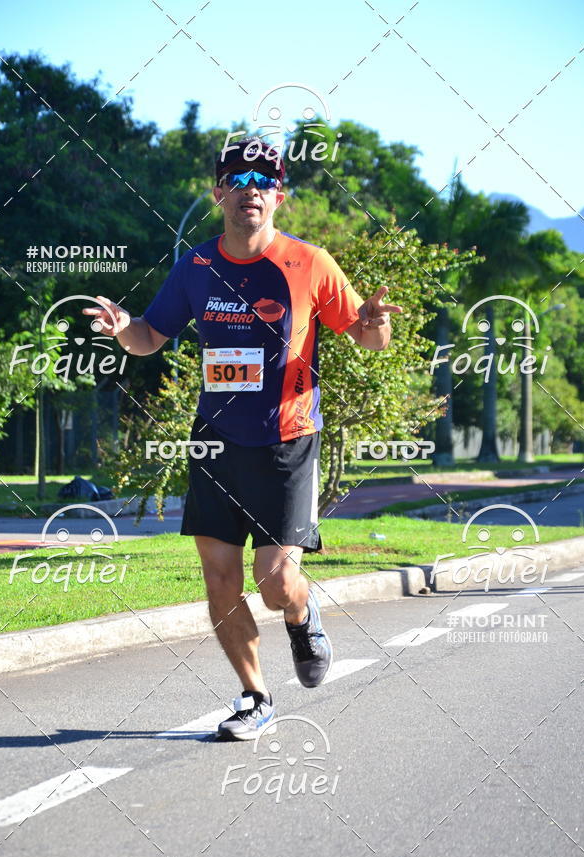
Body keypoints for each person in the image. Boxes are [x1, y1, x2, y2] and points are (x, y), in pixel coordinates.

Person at [84, 138, 402, 740]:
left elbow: (368, 337)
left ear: (278, 195)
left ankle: (303, 615)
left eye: (263, 179)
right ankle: (255, 696)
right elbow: (152, 335)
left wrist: (376, 323)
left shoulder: (310, 263)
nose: (250, 188)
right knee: (221, 576)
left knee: (275, 582)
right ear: (218, 193)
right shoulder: (197, 267)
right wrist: (124, 328)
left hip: (287, 441)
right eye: (237, 178)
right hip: (215, 442)